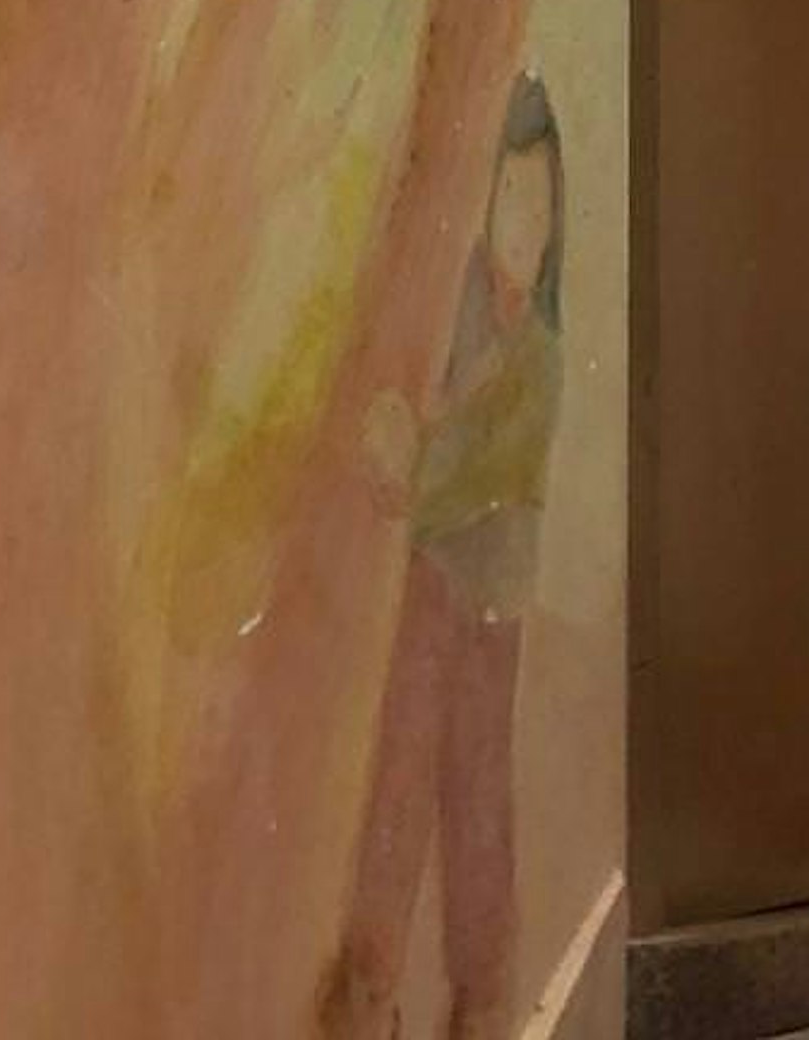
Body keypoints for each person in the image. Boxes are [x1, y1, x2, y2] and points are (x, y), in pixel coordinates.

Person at [321, 74, 568, 1040]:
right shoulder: (453, 306)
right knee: (403, 777)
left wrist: (406, 470)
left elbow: (465, 465)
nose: (523, 225)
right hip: (436, 584)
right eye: (510, 197)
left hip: (491, 605)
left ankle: (479, 1008)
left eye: (540, 204)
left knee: (475, 807)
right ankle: (367, 989)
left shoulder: (538, 355)